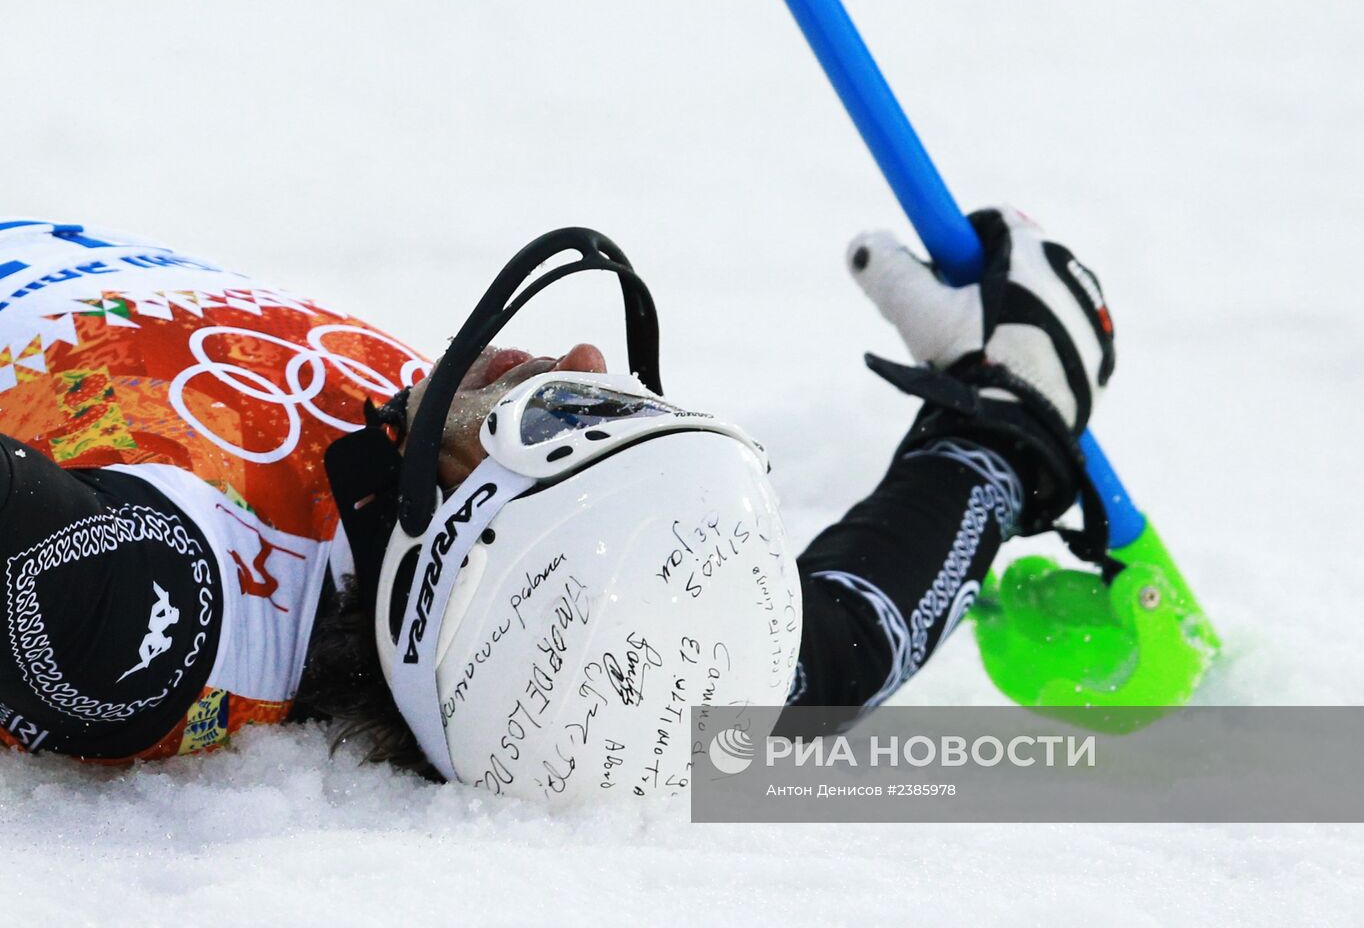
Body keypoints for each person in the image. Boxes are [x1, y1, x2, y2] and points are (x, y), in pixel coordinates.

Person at [0, 208, 1111, 798]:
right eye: (626, 395)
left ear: (457, 546)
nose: (576, 349)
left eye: (565, 412)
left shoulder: (160, 608)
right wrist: (1001, 425)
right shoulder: (626, 658)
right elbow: (827, 652)